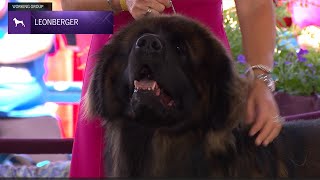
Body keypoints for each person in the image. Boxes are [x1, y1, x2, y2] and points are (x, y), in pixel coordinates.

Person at [62, 0, 282, 177]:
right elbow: (68, 4)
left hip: (200, 84)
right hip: (120, 82)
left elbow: (255, 5)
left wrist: (261, 80)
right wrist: (122, 2)